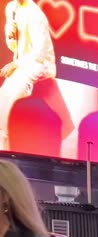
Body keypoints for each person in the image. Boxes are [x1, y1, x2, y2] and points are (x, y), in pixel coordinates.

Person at [0, 0, 56, 149]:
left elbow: (39, 52)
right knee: (4, 94)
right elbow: (15, 47)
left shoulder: (35, 14)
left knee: (9, 93)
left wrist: (16, 64)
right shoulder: (11, 8)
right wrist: (10, 36)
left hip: (40, 64)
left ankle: (4, 143)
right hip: (23, 63)